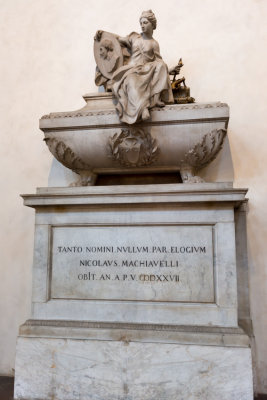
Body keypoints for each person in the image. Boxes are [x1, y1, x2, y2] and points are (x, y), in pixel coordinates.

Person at [111, 10, 174, 124]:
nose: (142, 25)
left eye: (145, 23)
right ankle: (143, 108)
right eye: (141, 23)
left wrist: (170, 70)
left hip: (147, 70)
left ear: (152, 24)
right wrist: (103, 33)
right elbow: (118, 39)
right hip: (133, 70)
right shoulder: (134, 38)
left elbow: (159, 61)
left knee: (162, 65)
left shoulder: (154, 43)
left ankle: (155, 99)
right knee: (131, 82)